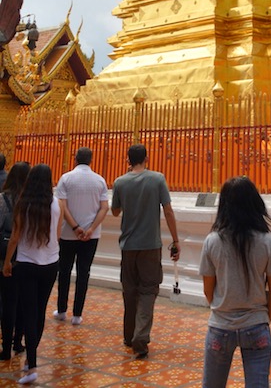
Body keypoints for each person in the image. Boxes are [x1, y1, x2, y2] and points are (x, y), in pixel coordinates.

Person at [199, 175, 271, 388]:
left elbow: (208, 291)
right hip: (256, 324)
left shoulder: (212, 240)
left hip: (221, 325)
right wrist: (262, 317)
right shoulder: (268, 242)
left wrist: (223, 307)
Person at [111, 144, 180, 360]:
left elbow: (115, 211)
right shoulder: (157, 179)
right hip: (150, 245)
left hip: (128, 246)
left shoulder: (120, 182)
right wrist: (176, 240)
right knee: (148, 290)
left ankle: (129, 335)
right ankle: (140, 336)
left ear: (128, 160)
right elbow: (168, 210)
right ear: (147, 158)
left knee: (129, 290)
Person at [2, 164, 62, 385]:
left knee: (28, 312)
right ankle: (30, 360)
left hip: (27, 264)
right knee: (39, 311)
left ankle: (32, 365)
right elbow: (56, 234)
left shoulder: (23, 205)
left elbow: (15, 237)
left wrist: (7, 262)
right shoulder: (57, 204)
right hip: (50, 263)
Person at [53, 147, 109, 324]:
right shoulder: (99, 181)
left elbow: (62, 205)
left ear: (75, 159)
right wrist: (91, 228)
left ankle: (61, 310)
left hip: (68, 234)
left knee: (64, 272)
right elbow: (104, 207)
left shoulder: (66, 178)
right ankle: (77, 314)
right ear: (91, 160)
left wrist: (75, 227)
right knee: (84, 272)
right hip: (91, 236)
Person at [0, 161, 30, 360]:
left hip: (6, 255)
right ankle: (18, 341)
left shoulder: (3, 199)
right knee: (22, 302)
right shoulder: (32, 200)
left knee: (7, 301)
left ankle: (6, 346)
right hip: (28, 256)